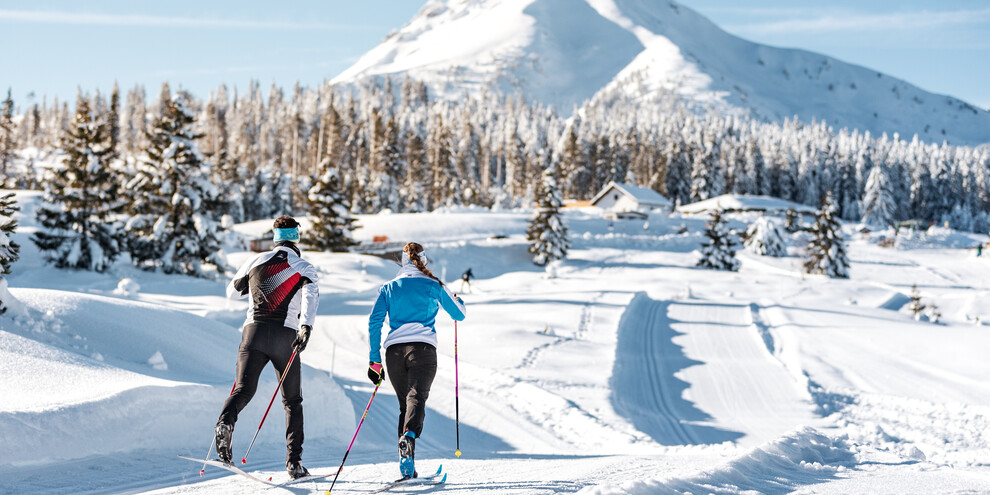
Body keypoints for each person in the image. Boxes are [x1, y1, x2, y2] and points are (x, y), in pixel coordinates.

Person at [214, 215, 319, 480]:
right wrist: (306, 326)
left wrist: (259, 287)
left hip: (254, 333)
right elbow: (310, 296)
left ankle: (225, 423)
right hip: (286, 336)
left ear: (275, 237)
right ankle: (294, 464)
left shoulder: (255, 261)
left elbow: (232, 292)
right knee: (292, 401)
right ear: (296, 237)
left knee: (243, 389)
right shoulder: (303, 266)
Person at [367, 242, 466, 479]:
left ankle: (407, 463)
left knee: (406, 405)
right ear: (424, 260)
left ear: (402, 261)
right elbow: (459, 314)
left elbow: (374, 322)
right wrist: (457, 298)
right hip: (422, 349)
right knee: (416, 398)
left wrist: (374, 360)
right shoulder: (433, 284)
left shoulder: (388, 287)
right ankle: (408, 438)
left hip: (393, 353)